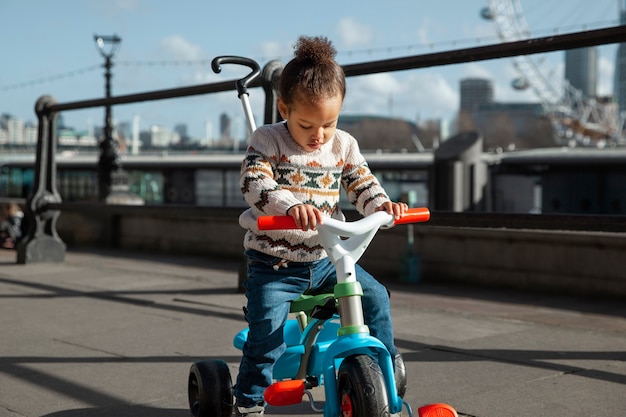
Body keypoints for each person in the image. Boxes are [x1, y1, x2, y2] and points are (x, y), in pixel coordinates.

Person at [235, 35, 408, 417]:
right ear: (284, 108)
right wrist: (291, 204)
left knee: (375, 297)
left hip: (326, 259)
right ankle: (248, 401)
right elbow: (254, 183)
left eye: (329, 124)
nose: (319, 136)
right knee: (267, 336)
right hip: (275, 264)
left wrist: (383, 206)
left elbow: (361, 182)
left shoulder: (343, 145)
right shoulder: (268, 140)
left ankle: (387, 368)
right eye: (307, 124)